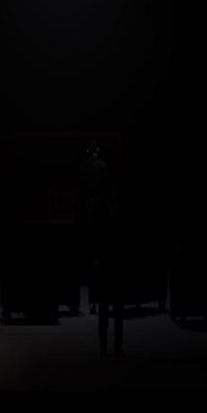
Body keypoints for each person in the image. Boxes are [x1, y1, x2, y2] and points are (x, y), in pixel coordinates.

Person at [85, 142, 124, 357]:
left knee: (117, 310)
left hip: (115, 263)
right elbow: (97, 236)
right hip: (106, 264)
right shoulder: (101, 210)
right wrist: (97, 258)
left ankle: (116, 346)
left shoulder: (117, 211)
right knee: (104, 309)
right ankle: (104, 347)